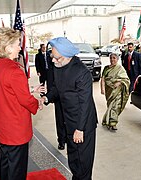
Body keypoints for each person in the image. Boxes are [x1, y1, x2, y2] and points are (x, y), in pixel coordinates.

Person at [41, 37, 98, 180]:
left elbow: (85, 103)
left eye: (56, 58)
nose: (53, 61)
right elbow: (56, 89)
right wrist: (46, 98)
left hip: (83, 123)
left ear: (67, 56)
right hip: (68, 121)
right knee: (73, 159)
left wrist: (80, 129)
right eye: (52, 57)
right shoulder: (58, 66)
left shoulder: (82, 72)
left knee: (83, 163)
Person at [0, 27, 43, 180]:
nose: (20, 47)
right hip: (16, 129)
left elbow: (8, 91)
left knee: (6, 163)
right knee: (17, 170)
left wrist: (31, 89)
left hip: (3, 126)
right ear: (8, 48)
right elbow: (25, 100)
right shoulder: (15, 71)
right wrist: (36, 103)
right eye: (17, 44)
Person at [100, 53, 130, 130]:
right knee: (110, 106)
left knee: (115, 106)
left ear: (117, 59)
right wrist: (102, 89)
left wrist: (119, 82)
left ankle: (113, 123)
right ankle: (107, 120)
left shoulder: (120, 68)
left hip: (117, 91)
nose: (112, 60)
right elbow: (103, 79)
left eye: (114, 58)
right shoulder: (106, 68)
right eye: (111, 58)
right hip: (109, 90)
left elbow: (126, 79)